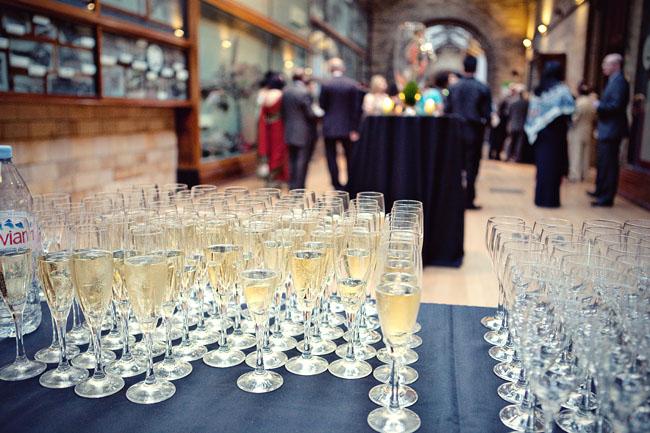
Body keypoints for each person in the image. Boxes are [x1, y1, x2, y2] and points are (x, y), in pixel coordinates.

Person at [524, 61, 575, 208]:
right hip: (556, 135)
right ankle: (551, 200)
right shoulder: (562, 90)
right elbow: (570, 110)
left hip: (541, 134)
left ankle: (540, 199)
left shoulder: (538, 90)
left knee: (542, 167)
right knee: (553, 167)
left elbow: (533, 114)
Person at [446, 55, 492, 210]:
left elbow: (447, 111)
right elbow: (487, 114)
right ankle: (468, 200)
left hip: (456, 131)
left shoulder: (453, 88)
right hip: (474, 131)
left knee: (456, 165)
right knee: (472, 167)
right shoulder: (483, 88)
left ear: (463, 67)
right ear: (476, 67)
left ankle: (454, 198)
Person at [588, 53, 630, 207]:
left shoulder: (620, 82)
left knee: (609, 164)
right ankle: (600, 190)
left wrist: (598, 105)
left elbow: (616, 106)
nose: (603, 66)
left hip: (612, 130)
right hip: (606, 129)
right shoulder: (613, 81)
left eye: (606, 63)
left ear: (616, 65)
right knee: (602, 163)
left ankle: (606, 197)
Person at [319, 57, 362, 190]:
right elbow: (356, 109)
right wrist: (355, 128)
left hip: (330, 127)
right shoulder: (352, 84)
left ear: (330, 69)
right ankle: (350, 183)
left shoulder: (326, 84)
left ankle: (336, 184)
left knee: (331, 157)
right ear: (342, 68)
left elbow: (322, 105)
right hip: (348, 127)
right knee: (350, 156)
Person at [281, 68, 316, 190]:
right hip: (303, 131)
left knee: (291, 159)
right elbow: (310, 114)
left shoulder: (286, 91)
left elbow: (283, 112)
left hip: (289, 130)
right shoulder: (304, 92)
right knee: (301, 159)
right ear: (302, 78)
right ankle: (298, 187)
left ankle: (292, 184)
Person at [257, 72, 288, 187]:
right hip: (279, 125)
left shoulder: (265, 95)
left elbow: (262, 113)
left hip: (267, 125)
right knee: (279, 150)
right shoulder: (281, 94)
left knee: (269, 150)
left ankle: (271, 175)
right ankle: (277, 177)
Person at [567, 83, 597, 182]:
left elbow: (575, 118)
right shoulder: (592, 103)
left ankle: (575, 175)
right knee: (585, 154)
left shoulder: (579, 102)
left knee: (576, 153)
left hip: (577, 131)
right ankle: (584, 174)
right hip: (588, 130)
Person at [507, 86, 529, 162]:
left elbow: (509, 114)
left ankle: (508, 156)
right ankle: (517, 158)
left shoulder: (513, 103)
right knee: (519, 143)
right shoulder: (526, 104)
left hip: (513, 125)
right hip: (522, 126)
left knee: (511, 141)